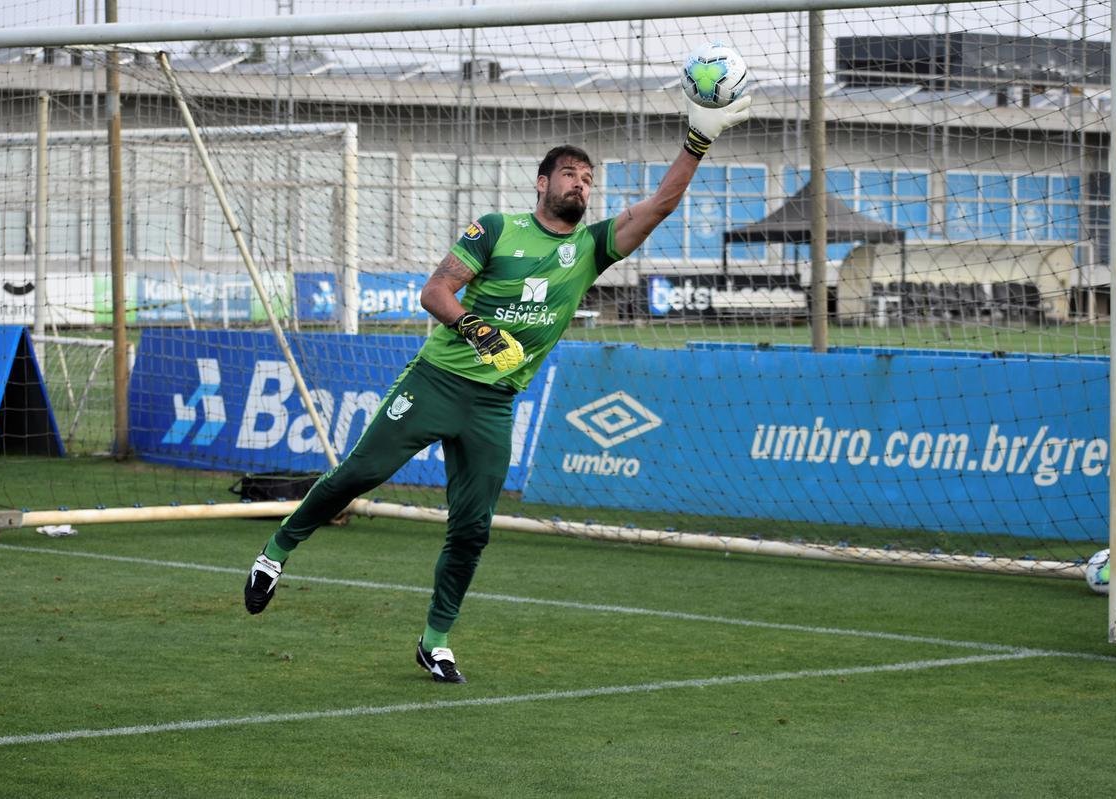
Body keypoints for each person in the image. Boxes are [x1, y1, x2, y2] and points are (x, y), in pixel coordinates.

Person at [243, 93, 752, 683]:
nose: (580, 185)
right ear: (541, 183)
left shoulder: (590, 248)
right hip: (438, 381)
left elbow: (661, 205)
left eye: (588, 179)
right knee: (358, 474)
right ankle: (275, 552)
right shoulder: (495, 228)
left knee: (473, 529)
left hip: (493, 405)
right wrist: (478, 330)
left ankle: (435, 641)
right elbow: (435, 293)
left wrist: (698, 140)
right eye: (569, 174)